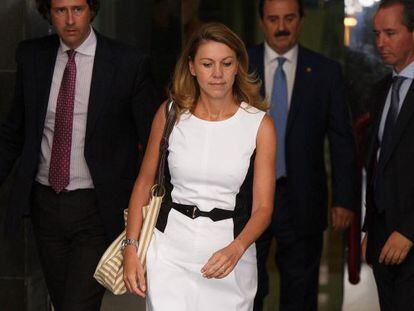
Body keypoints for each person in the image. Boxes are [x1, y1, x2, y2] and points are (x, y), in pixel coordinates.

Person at [0, 0, 156, 310]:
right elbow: (14, 132)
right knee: (62, 302)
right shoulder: (33, 57)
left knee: (76, 305)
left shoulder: (127, 62)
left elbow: (152, 138)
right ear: (48, 13)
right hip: (45, 204)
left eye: (78, 9)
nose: (70, 20)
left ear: (92, 9)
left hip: (97, 209)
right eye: (60, 10)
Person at [122, 22, 276, 311]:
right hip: (169, 252)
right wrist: (131, 247)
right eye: (207, 64)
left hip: (229, 254)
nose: (217, 74)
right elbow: (144, 183)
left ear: (237, 67)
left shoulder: (259, 124)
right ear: (192, 67)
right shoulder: (170, 114)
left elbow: (264, 208)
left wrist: (237, 248)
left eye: (226, 63)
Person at [248, 0, 356, 310]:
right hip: (249, 197)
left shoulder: (326, 72)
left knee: (300, 291)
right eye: (273, 19)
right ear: (261, 22)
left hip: (304, 199)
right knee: (247, 288)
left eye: (289, 18)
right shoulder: (241, 65)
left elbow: (341, 140)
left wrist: (343, 199)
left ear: (301, 19)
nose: (281, 27)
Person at [362, 0, 414, 310]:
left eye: (390, 33)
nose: (381, 42)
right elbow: (378, 164)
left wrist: (408, 231)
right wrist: (372, 227)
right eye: (377, 33)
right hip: (383, 238)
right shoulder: (381, 89)